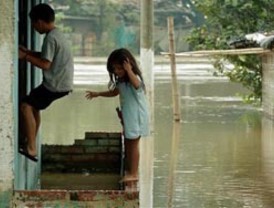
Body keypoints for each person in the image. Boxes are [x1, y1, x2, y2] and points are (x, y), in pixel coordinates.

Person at [18, 3, 74, 162]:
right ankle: (31, 142)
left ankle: (31, 148)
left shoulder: (50, 38)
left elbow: (45, 64)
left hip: (55, 85)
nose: (34, 28)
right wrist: (28, 51)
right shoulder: (58, 34)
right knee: (34, 105)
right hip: (62, 84)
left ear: (40, 22)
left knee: (25, 106)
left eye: (34, 24)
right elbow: (46, 57)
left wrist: (24, 57)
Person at [85, 48, 150, 182]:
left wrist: (129, 70)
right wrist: (98, 94)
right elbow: (114, 92)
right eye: (115, 69)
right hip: (128, 116)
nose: (117, 72)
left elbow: (138, 86)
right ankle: (130, 170)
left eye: (120, 68)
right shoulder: (121, 82)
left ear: (128, 66)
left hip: (136, 116)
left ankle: (133, 174)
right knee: (128, 143)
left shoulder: (134, 79)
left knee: (133, 144)